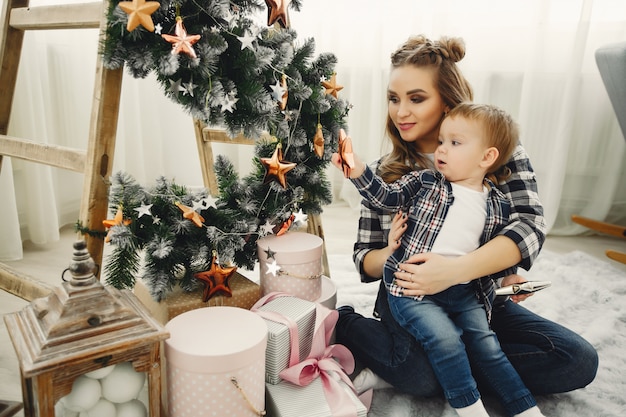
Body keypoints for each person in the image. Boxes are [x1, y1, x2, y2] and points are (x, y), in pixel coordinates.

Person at [333, 34, 598, 410]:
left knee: (577, 360)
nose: (401, 112)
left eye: (416, 98)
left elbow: (527, 224)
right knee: (422, 374)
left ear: (447, 100)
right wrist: (392, 251)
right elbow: (365, 258)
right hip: (410, 294)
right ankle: (349, 325)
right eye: (394, 98)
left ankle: (453, 366)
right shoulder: (386, 173)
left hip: (475, 296)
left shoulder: (497, 149)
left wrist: (482, 271)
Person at [333, 103, 544, 417]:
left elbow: (491, 254)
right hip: (412, 288)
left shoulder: (497, 204)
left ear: (487, 157)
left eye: (455, 143)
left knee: (488, 347)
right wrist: (358, 170)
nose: (442, 149)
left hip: (465, 293)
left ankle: (525, 409)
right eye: (442, 141)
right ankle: (470, 407)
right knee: (445, 340)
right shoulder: (425, 183)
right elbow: (385, 196)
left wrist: (506, 279)